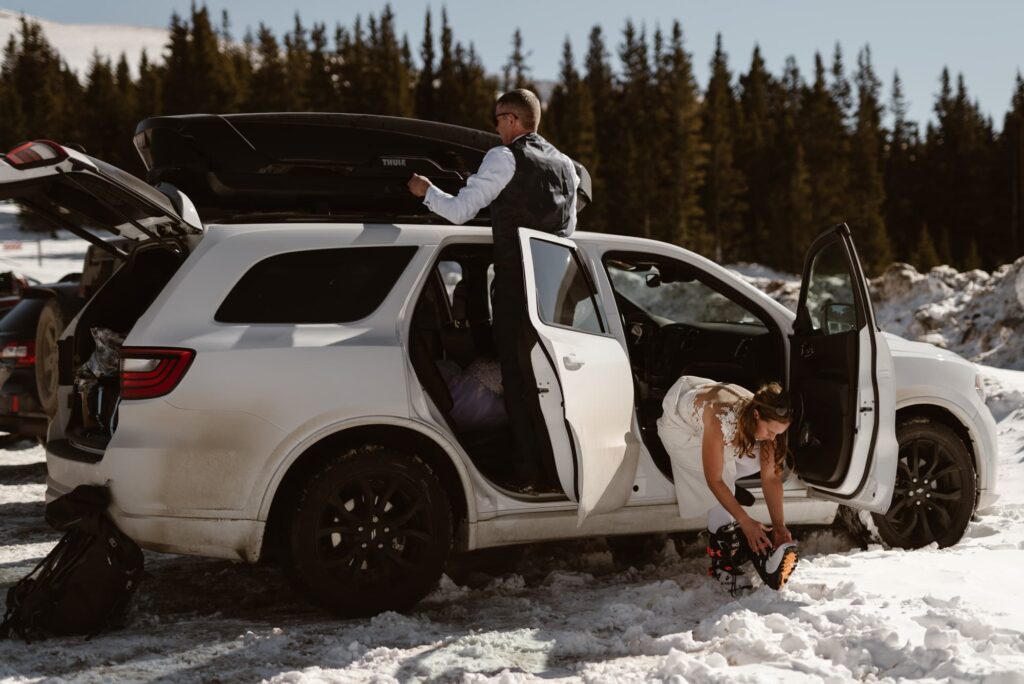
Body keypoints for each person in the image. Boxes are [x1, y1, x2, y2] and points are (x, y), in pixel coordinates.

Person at [407, 89, 580, 485]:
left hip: (515, 285)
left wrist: (426, 191)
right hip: (553, 290)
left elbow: (460, 211)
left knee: (518, 380)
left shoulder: (503, 157)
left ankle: (526, 471)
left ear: (513, 120)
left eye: (497, 119)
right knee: (550, 379)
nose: (495, 127)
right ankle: (561, 468)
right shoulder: (566, 166)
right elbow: (568, 230)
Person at [657, 375, 799, 593]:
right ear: (756, 415)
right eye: (770, 432)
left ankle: (731, 492)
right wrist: (745, 521)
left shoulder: (769, 420)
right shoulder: (719, 417)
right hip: (683, 430)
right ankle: (721, 564)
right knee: (720, 480)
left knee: (758, 459)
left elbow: (770, 478)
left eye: (778, 434)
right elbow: (714, 480)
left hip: (728, 430)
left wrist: (780, 526)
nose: (773, 438)